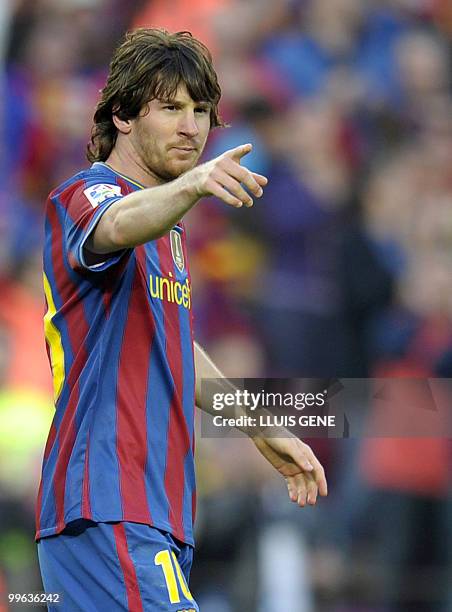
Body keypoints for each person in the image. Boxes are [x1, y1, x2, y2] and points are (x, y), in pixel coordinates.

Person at [36, 28, 327, 611]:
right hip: (108, 503)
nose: (191, 127)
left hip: (154, 509)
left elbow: (175, 348)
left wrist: (262, 427)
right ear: (121, 114)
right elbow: (113, 224)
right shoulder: (87, 195)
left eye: (200, 111)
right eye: (170, 107)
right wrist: (194, 184)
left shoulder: (166, 231)